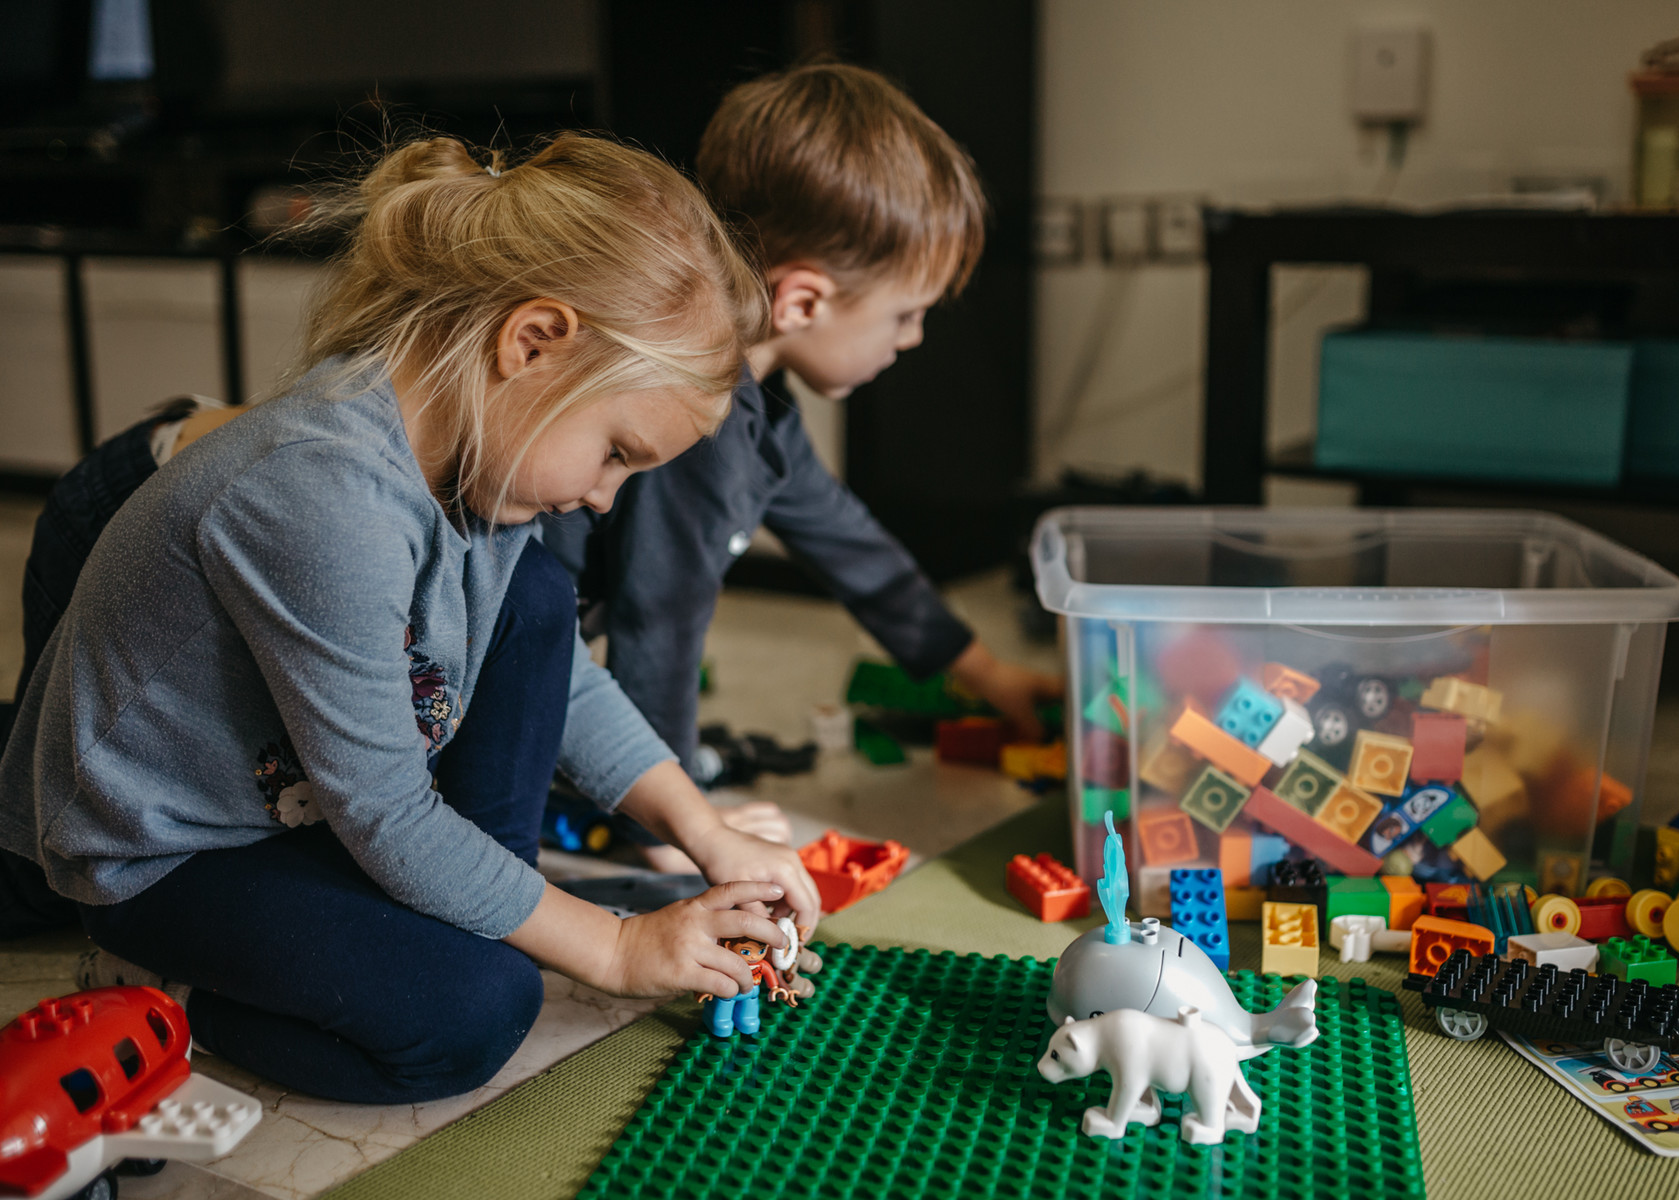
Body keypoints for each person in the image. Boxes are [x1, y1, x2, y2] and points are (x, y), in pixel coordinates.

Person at [0, 133, 821, 1104]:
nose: (608, 499)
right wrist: (617, 947)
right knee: (473, 1014)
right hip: (166, 853)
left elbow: (557, 678)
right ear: (533, 342)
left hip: (301, 810)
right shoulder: (319, 496)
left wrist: (703, 830)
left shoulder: (480, 459)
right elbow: (387, 813)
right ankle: (165, 983)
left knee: (539, 597)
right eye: (616, 453)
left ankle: (479, 904)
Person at [541, 63, 1061, 869]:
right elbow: (660, 627)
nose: (912, 337)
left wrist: (984, 671)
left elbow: (842, 537)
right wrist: (677, 826)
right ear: (805, 301)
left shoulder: (759, 399)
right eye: (906, 313)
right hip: (493, 674)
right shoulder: (692, 420)